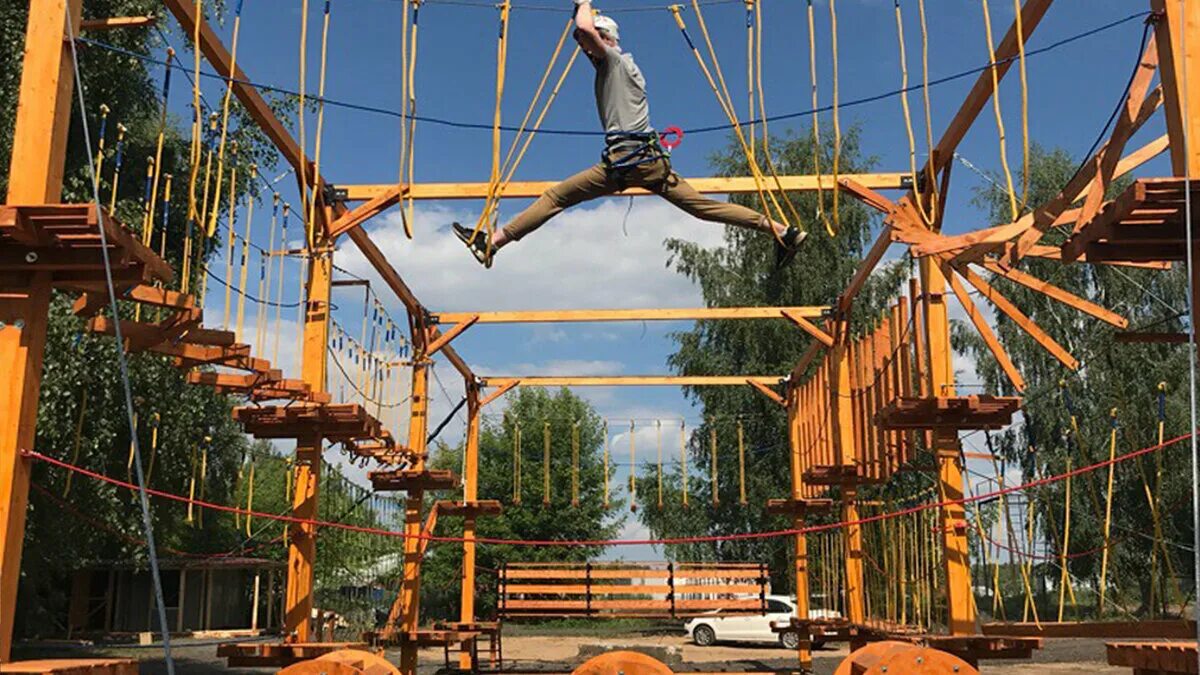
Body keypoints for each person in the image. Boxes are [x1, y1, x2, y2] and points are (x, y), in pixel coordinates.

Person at [453, 0, 806, 269]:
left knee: (556, 197)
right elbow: (586, 35)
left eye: (588, 43)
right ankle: (782, 231)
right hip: (648, 162)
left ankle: (493, 243)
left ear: (606, 40)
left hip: (626, 162)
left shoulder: (616, 63)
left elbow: (587, 32)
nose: (584, 49)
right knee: (704, 208)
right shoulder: (624, 68)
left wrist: (583, 4)